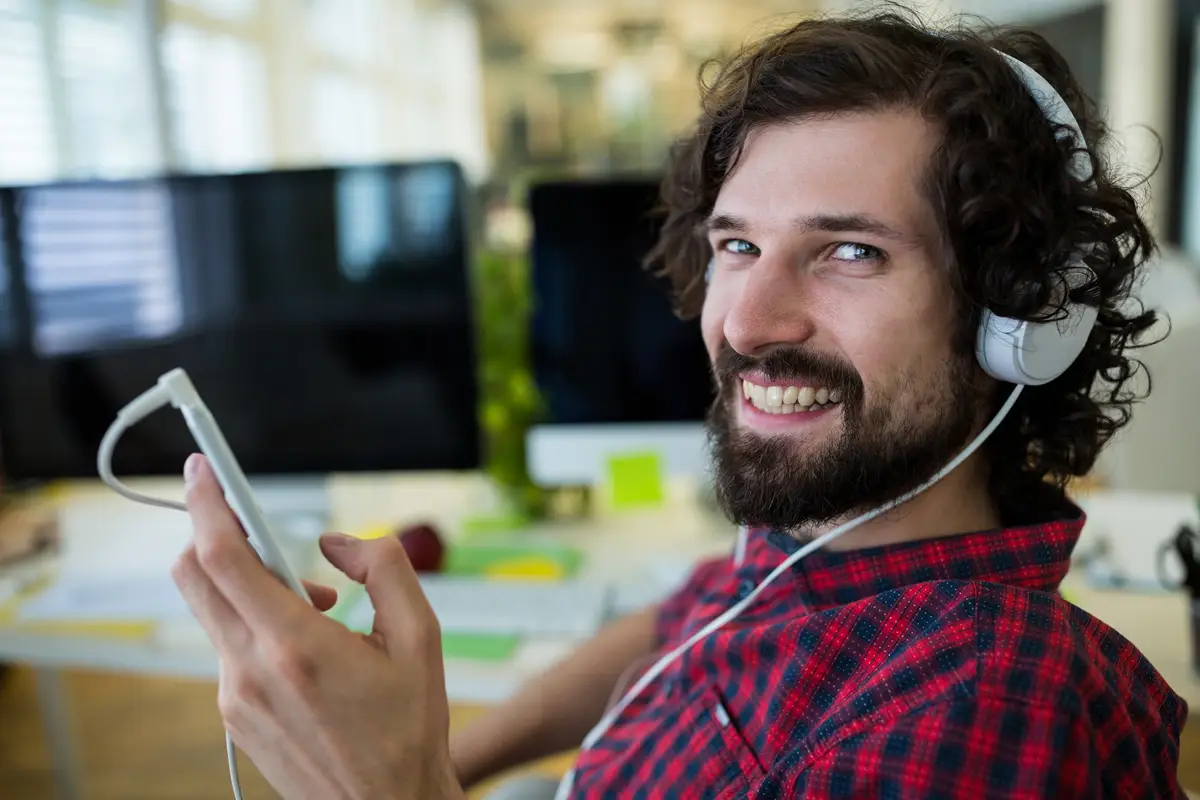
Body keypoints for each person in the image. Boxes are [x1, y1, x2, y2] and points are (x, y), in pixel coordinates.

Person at [171, 9, 1190, 799]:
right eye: (738, 245)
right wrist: (443, 750)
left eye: (850, 251)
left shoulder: (985, 705)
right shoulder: (816, 539)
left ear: (1017, 312)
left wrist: (389, 783)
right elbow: (684, 618)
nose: (745, 321)